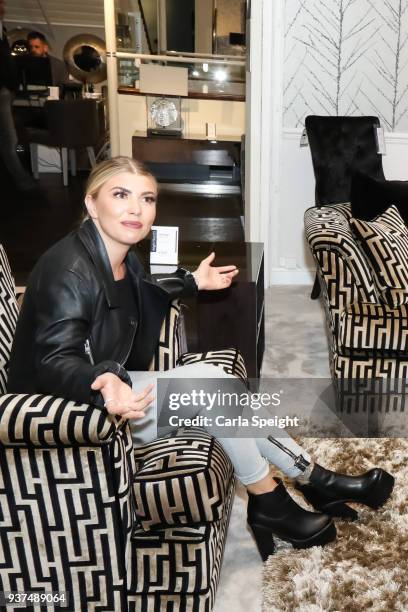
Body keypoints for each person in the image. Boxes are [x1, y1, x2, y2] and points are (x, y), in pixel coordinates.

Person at [7, 156, 395, 560]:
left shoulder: (120, 257)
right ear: (91, 203)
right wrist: (103, 378)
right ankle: (274, 498)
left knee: (213, 378)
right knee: (207, 387)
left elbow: (140, 295)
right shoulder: (68, 270)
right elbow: (53, 361)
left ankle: (310, 479)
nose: (136, 209)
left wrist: (193, 281)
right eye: (120, 195)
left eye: (147, 198)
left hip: (110, 390)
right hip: (66, 416)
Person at [0, 1, 36, 191]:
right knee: (9, 140)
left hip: (6, 90)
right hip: (3, 90)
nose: (3, 7)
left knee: (10, 139)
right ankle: (24, 182)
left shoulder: (3, 31)